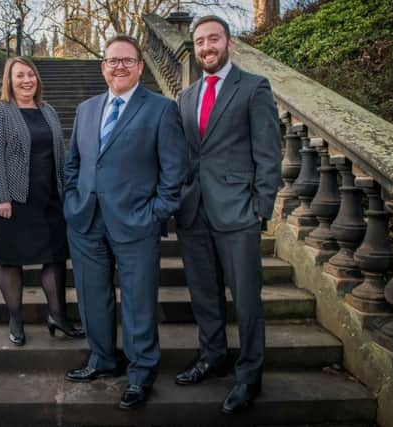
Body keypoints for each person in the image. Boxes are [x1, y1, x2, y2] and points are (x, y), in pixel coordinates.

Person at [63, 35, 187, 410]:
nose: (118, 66)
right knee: (92, 298)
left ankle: (141, 372)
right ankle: (102, 359)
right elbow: (74, 164)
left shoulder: (162, 110)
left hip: (137, 223)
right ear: (103, 67)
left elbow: (174, 172)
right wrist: (72, 201)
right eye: (112, 60)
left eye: (126, 61)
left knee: (138, 302)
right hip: (86, 221)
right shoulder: (86, 109)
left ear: (139, 66)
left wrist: (155, 213)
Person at [173, 15, 282, 413]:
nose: (206, 47)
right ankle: (213, 355)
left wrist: (261, 208)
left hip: (238, 212)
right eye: (200, 41)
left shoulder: (253, 88)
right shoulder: (185, 97)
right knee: (204, 295)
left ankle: (249, 374)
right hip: (194, 212)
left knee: (247, 301)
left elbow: (269, 154)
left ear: (228, 43)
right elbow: (185, 154)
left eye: (213, 39)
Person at [0, 57, 84, 347]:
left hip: (48, 197)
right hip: (11, 200)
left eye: (30, 74)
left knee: (54, 257)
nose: (26, 80)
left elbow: (59, 153)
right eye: (19, 76)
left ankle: (58, 317)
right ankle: (16, 319)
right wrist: (1, 196)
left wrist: (67, 190)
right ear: (9, 81)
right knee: (10, 260)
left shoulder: (47, 110)